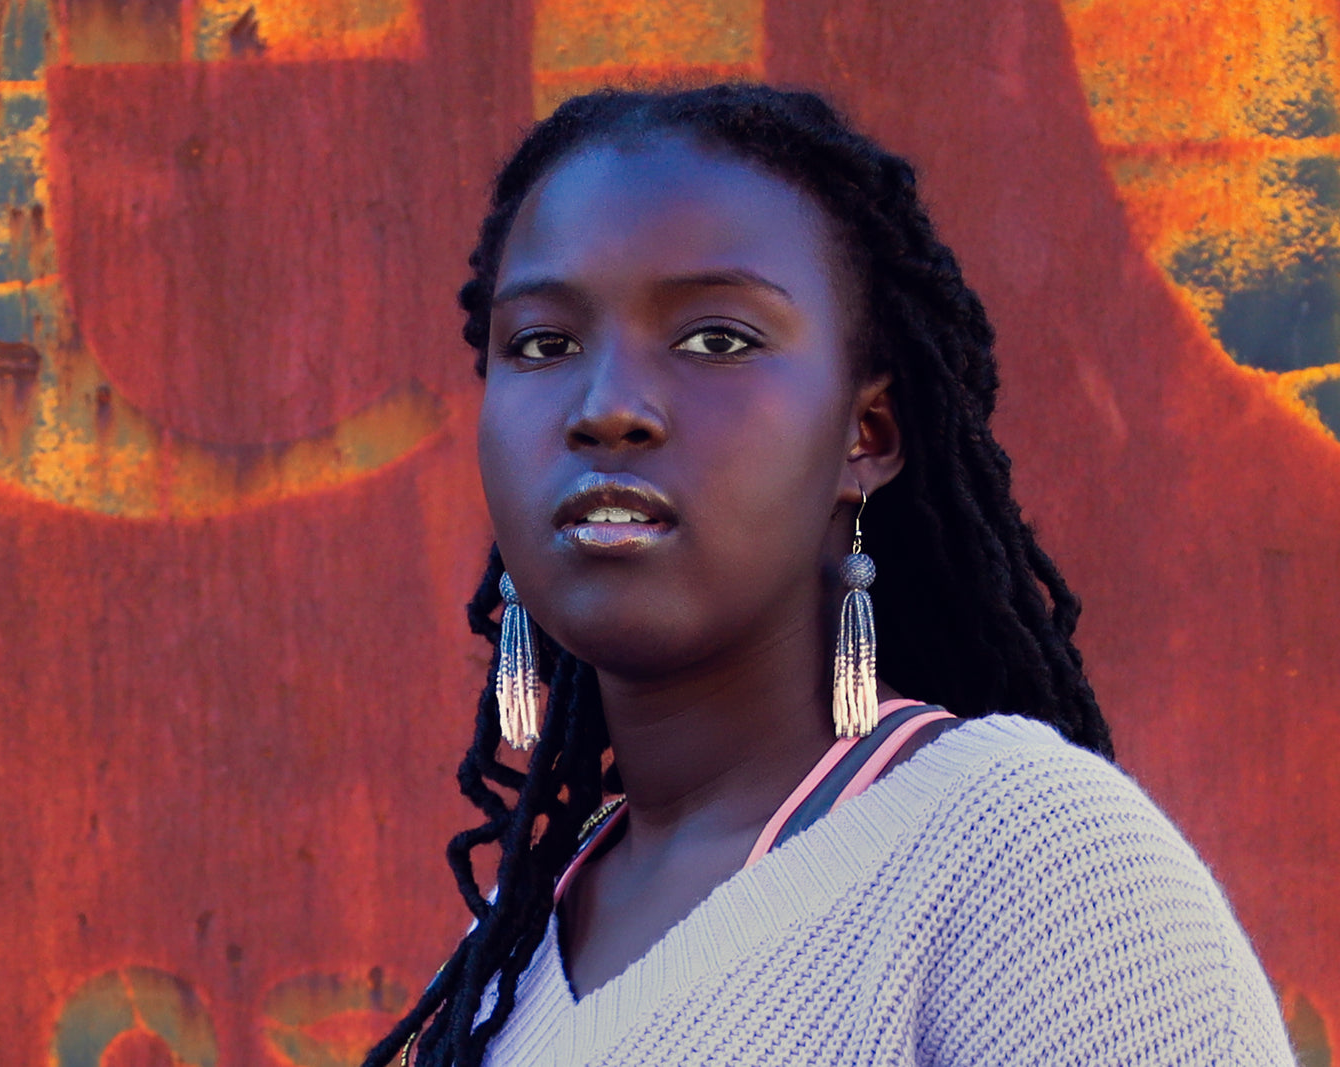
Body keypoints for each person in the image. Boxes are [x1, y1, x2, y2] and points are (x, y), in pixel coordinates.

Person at [363, 84, 1294, 1067]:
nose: (607, 408)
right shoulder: (505, 957)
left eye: (715, 339)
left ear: (867, 433)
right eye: (543, 344)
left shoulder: (1025, 858)